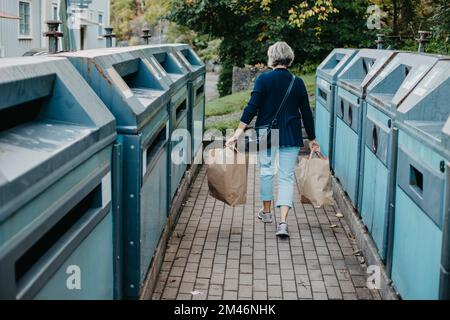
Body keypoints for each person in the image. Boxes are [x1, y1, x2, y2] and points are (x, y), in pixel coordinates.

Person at [226, 41, 319, 237]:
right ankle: (283, 222)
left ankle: (267, 213)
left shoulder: (263, 80)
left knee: (266, 172)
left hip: (266, 134)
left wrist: (238, 132)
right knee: (286, 177)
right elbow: (307, 114)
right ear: (289, 58)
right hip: (291, 134)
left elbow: (252, 107)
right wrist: (312, 138)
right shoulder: (298, 82)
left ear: (272, 58)